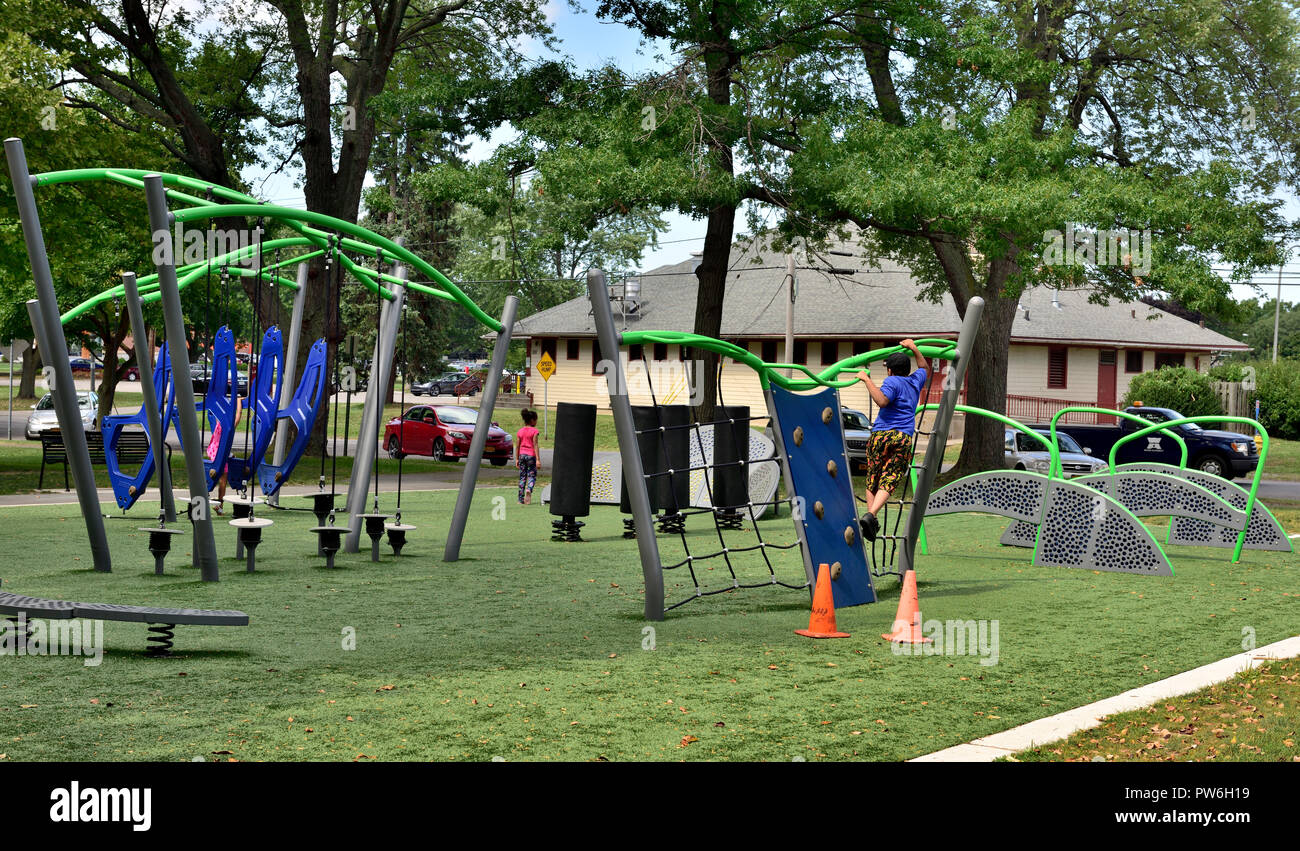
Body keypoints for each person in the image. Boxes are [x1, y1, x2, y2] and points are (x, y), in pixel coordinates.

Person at [854, 338, 929, 542]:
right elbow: (924, 367)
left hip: (881, 435)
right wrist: (914, 348)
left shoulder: (892, 381)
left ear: (890, 371)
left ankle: (870, 515)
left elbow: (882, 401)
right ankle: (870, 519)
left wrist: (866, 380)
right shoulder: (916, 381)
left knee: (874, 476)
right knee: (891, 476)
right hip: (903, 437)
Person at [208, 395, 243, 515]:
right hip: (221, 453)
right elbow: (239, 414)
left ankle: (218, 504)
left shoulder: (219, 422)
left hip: (213, 451)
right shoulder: (229, 427)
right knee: (223, 479)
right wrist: (238, 401)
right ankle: (220, 505)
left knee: (216, 476)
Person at [515, 409, 542, 504]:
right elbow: (535, 445)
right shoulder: (534, 431)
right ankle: (529, 489)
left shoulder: (520, 431)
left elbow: (517, 446)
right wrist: (538, 460)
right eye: (536, 420)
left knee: (522, 476)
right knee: (532, 475)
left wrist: (517, 458)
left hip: (522, 455)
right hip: (531, 456)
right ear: (532, 420)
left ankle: (520, 499)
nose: (536, 422)